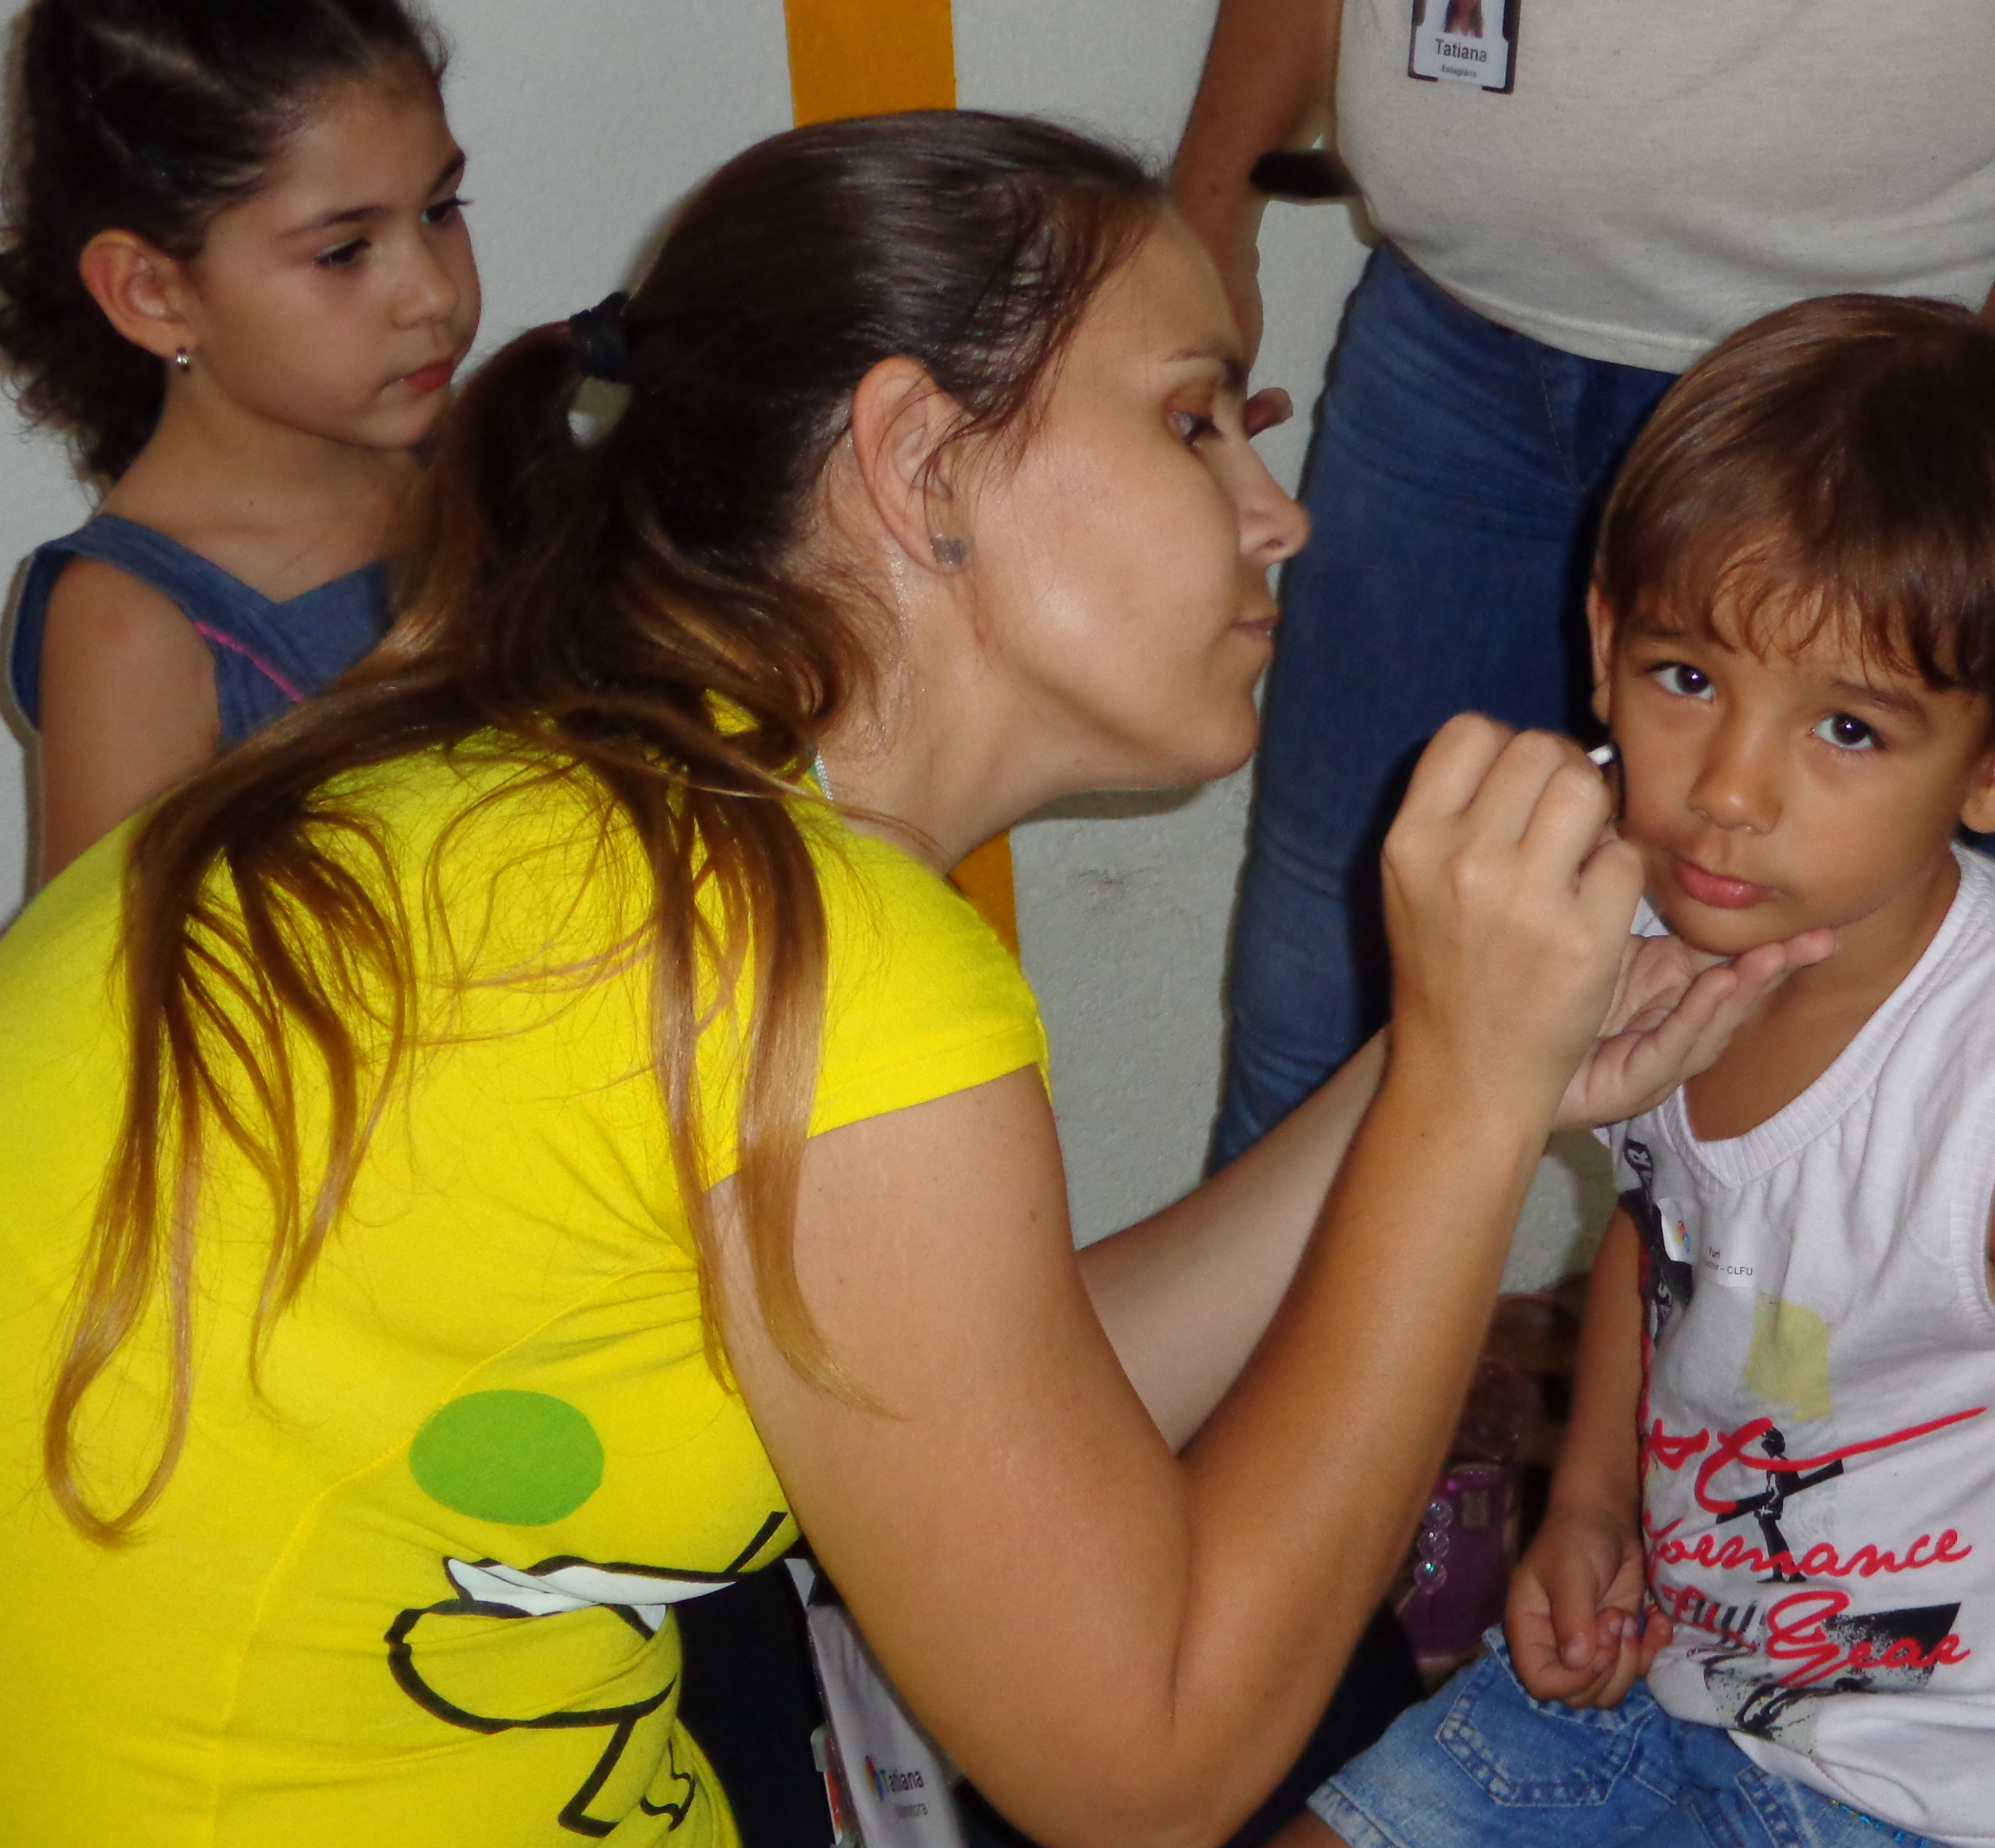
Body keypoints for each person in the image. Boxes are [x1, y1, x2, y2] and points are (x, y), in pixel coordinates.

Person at [0, 113, 1831, 1846]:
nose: (1273, 516)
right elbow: (1149, 1763)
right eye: (1195, 423)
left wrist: (1436, 1053)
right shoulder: (810, 955)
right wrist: (1466, 1106)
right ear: (915, 462)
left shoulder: (575, 797)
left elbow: (971, 1410)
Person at [1278, 296, 1995, 1848]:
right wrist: (1588, 1499)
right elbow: (1667, 1237)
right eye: (1686, 677)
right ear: (1605, 637)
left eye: (1844, 724)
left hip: (1953, 1794)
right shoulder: (1629, 920)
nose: (1729, 792)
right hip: (1672, 1684)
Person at [1175, 0, 1995, 1170]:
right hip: (1457, 349)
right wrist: (1206, 212)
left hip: (1917, 391)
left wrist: (1980, 452)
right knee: (1337, 1004)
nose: (1725, 794)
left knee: (1858, 1094)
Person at [0, 0, 479, 883]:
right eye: (344, 252)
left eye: (442, 209)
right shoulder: (132, 628)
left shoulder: (492, 467)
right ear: (152, 291)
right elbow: (101, 1000)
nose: (431, 295)